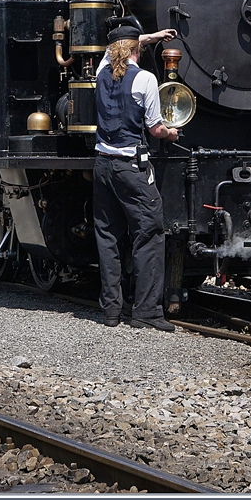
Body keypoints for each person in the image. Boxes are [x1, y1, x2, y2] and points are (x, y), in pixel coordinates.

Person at [92, 17, 179, 332]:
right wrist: (170, 133)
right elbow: (155, 127)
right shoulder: (145, 80)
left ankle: (111, 313)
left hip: (102, 166)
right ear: (135, 50)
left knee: (108, 238)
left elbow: (115, 48)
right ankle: (146, 312)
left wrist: (147, 37)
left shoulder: (101, 72)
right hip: (131, 167)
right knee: (149, 234)